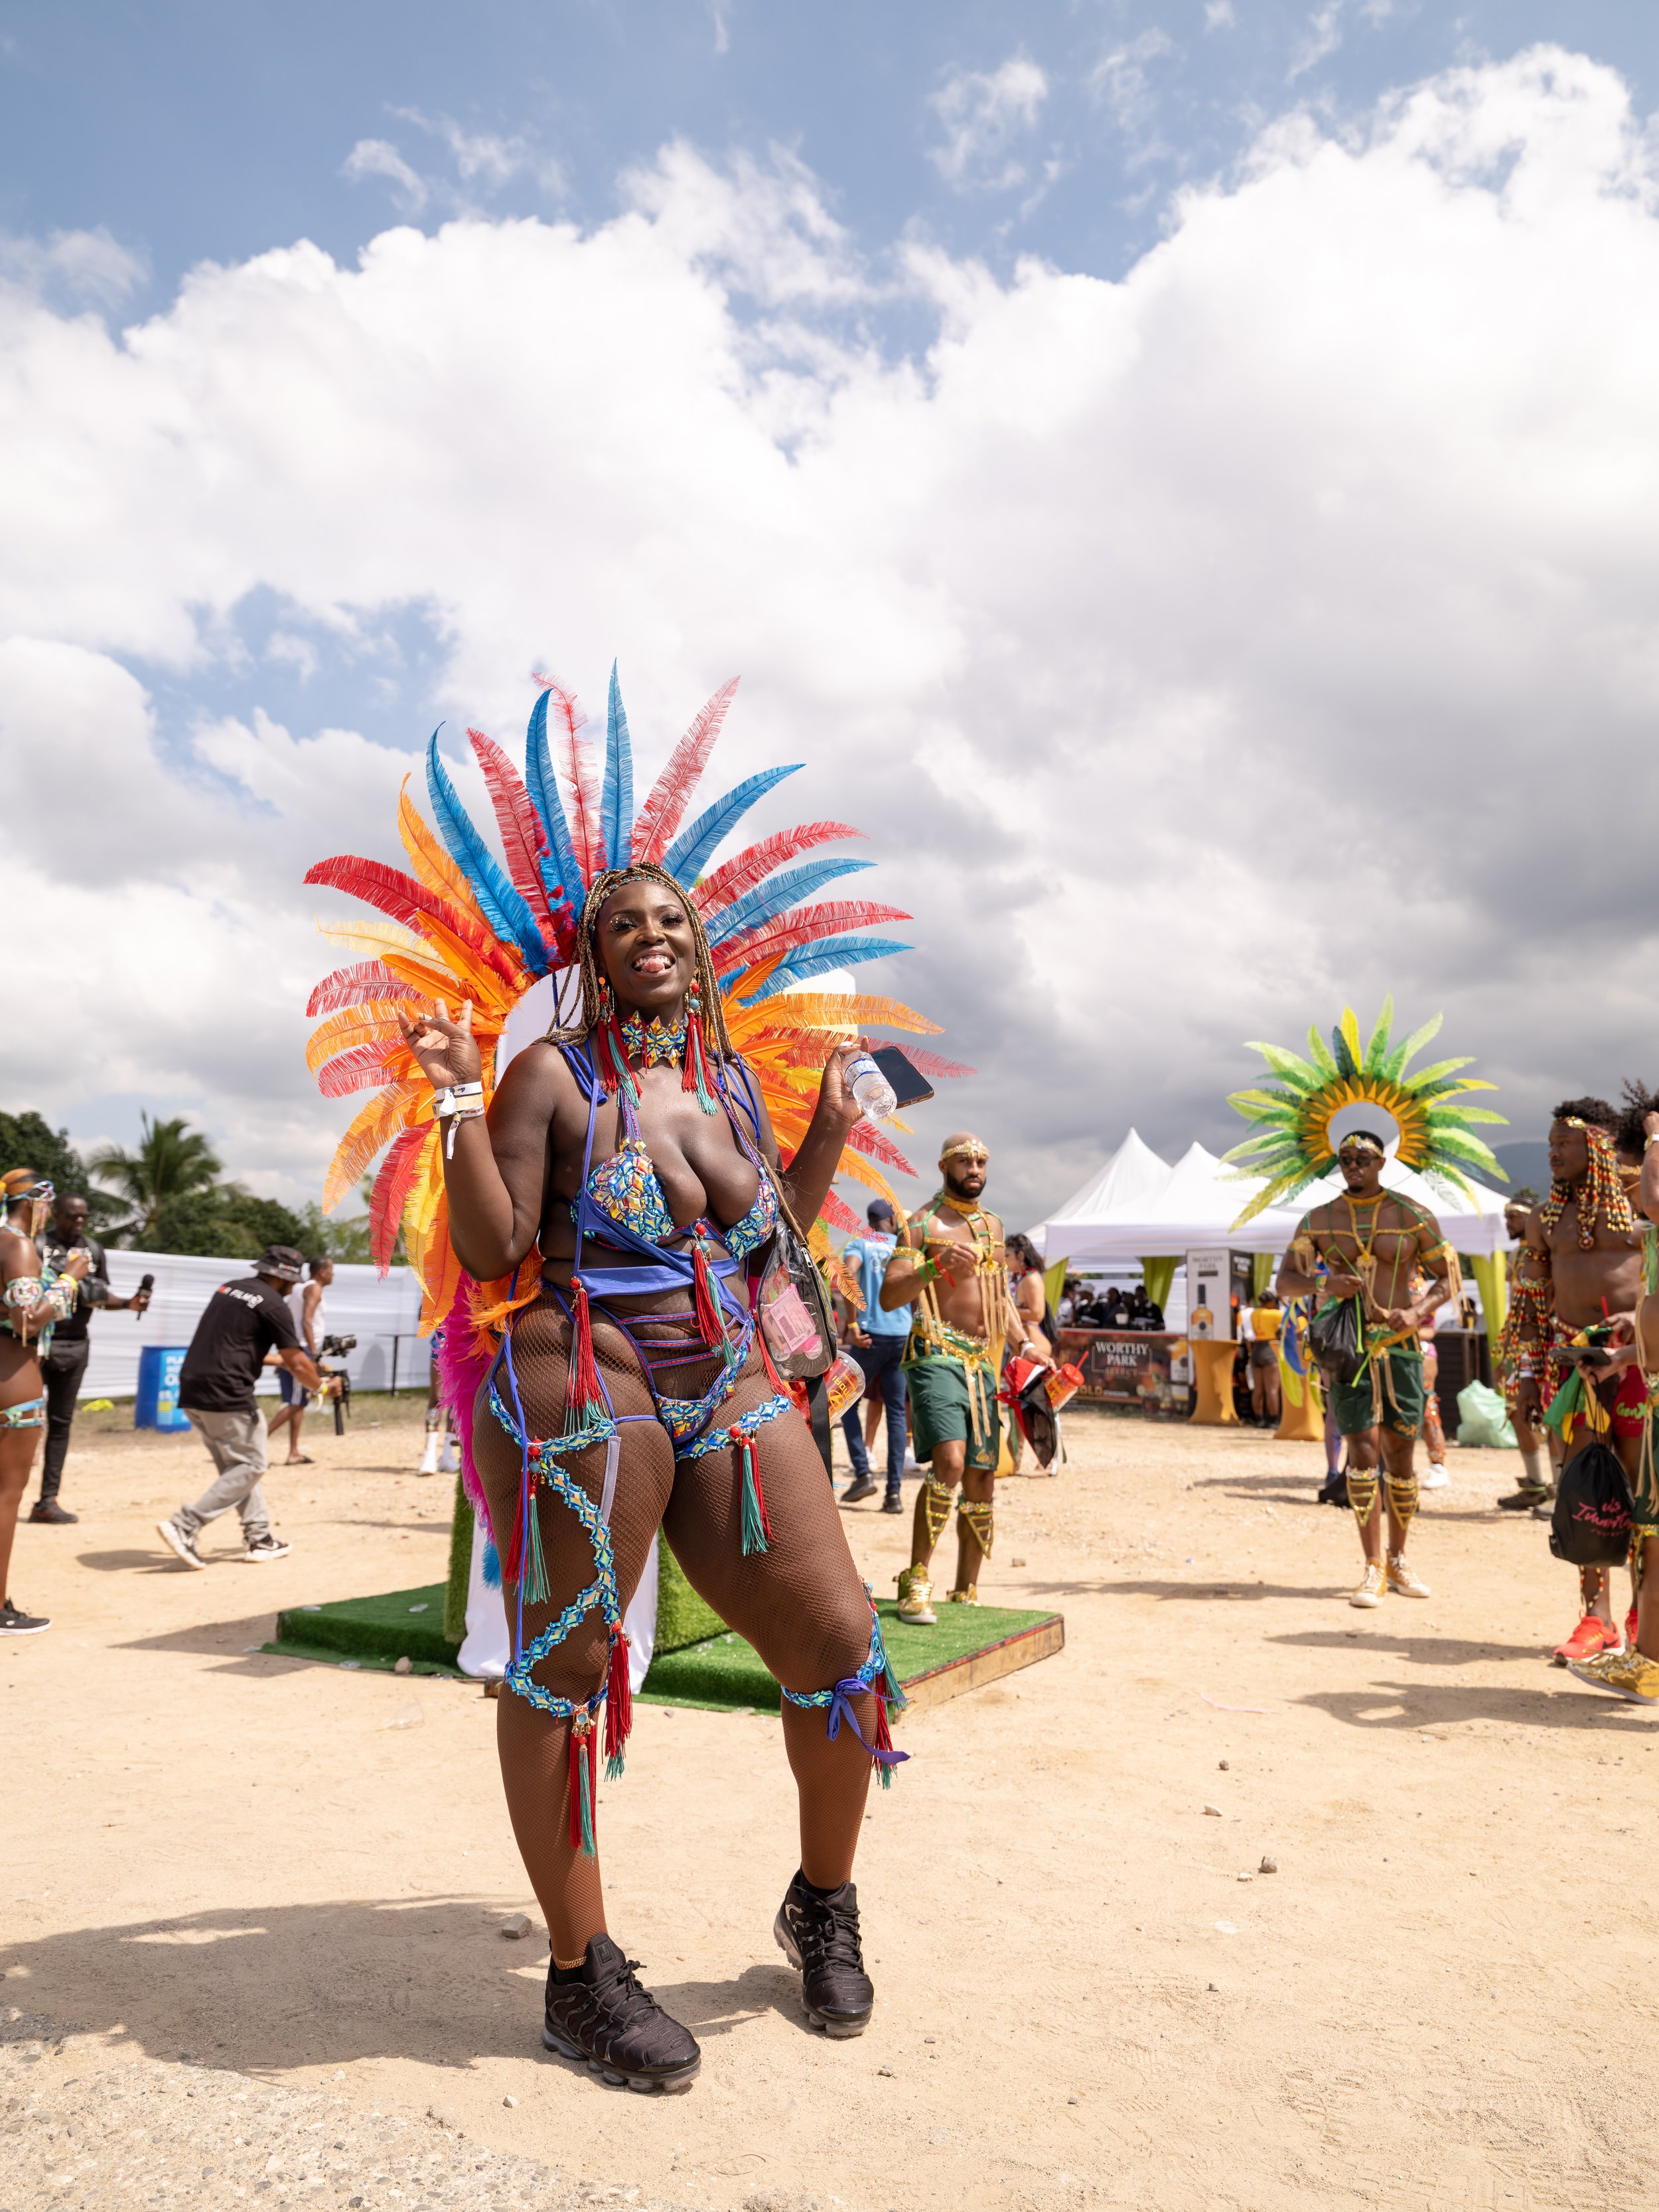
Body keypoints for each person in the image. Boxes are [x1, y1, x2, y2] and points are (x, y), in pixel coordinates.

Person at [400, 864, 902, 2088]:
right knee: (569, 1657)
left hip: (725, 1370)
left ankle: (821, 1905)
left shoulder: (729, 1083)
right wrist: (459, 1093)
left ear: (698, 943)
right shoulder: (550, 1075)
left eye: (670, 919)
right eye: (624, 923)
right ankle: (580, 1974)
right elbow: (493, 1246)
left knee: (839, 1640)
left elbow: (769, 1238)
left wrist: (830, 1127)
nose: (651, 935)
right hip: (591, 1362)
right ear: (597, 953)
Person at [1277, 1133, 1454, 1607]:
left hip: (1401, 1349)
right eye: (1345, 1159)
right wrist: (1325, 1283)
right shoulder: (1318, 1219)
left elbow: (1448, 1277)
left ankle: (1399, 1559)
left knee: (1401, 1455)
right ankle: (1372, 1566)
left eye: (1363, 1158)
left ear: (1382, 1162)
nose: (1353, 1165)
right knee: (1361, 1452)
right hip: (1348, 1350)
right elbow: (1285, 1281)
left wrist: (1416, 1312)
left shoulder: (1412, 1215)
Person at [1507, 1102, 1647, 1666]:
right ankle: (1598, 1619)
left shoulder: (1644, 1204)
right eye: (1549, 1144)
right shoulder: (1544, 1219)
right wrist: (1526, 1374)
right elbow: (1529, 1304)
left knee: (1642, 1493)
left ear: (1598, 1145)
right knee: (1586, 1491)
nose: (1553, 1153)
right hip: (1574, 1367)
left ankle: (1643, 1614)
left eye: (1563, 1143)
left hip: (1638, 1364)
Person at [882, 1136, 1032, 1619]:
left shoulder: (993, 1226)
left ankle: (967, 1590)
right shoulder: (921, 1223)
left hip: (982, 1362)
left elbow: (1000, 1297)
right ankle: (916, 1580)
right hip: (934, 1352)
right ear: (943, 1166)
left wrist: (1026, 1345)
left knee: (982, 1476)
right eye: (964, 1160)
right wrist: (933, 1265)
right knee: (949, 1461)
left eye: (981, 1161)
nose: (974, 1168)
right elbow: (889, 1295)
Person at [156, 1245, 331, 1569]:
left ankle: (259, 1538)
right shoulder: (274, 1304)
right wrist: (321, 1386)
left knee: (238, 1468)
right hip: (227, 1393)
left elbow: (236, 1345)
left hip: (193, 1387)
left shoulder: (229, 1289)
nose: (292, 1288)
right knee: (251, 1465)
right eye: (291, 1281)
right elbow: (297, 1360)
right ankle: (185, 1526)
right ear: (283, 1278)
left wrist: (282, 1362)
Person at [31, 1187, 151, 1523]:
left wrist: (127, 1303)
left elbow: (99, 1295)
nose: (80, 1221)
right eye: (73, 1216)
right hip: (36, 1344)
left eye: (84, 1216)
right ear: (57, 1214)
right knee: (19, 1420)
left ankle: (47, 1501)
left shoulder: (93, 1249)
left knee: (61, 1424)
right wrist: (73, 1282)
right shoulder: (37, 1245)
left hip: (75, 1345)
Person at [0, 1170, 87, 1633]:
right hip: (13, 1380)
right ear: (34, 1203)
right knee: (6, 1496)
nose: (49, 1214)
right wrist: (69, 1279)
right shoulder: (17, 1245)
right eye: (48, 1204)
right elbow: (28, 1322)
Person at [835, 1200, 910, 1513]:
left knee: (845, 1401)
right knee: (896, 1413)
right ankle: (894, 1495)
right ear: (891, 1220)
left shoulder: (860, 1244)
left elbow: (846, 1276)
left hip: (869, 1337)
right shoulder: (903, 1248)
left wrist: (852, 1325)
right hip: (902, 1336)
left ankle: (863, 1472)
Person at [1495, 1197, 1554, 1510]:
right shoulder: (1517, 1253)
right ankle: (1535, 1484)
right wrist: (1506, 1349)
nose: (1509, 1222)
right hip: (1520, 1337)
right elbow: (1516, 1306)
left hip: (1547, 1336)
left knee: (1554, 1411)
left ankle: (1560, 1490)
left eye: (1515, 1216)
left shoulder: (1550, 1249)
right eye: (1506, 1216)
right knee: (1519, 1411)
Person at [265, 1255, 335, 1467]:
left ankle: (293, 1452)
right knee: (299, 1402)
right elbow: (306, 1321)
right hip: (302, 1348)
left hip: (293, 1346)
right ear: (322, 1271)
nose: (333, 1274)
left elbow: (290, 1320)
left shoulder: (298, 1289)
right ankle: (255, 1442)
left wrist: (284, 1352)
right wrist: (312, 1356)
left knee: (298, 1400)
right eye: (331, 1270)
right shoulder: (314, 1289)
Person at [1243, 1290, 1283, 1428]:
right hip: (1270, 1348)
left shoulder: (1254, 1313)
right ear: (1271, 1301)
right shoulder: (1276, 1314)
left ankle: (1259, 1420)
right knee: (1272, 1389)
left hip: (1256, 1350)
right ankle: (1274, 1420)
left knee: (1258, 1389)